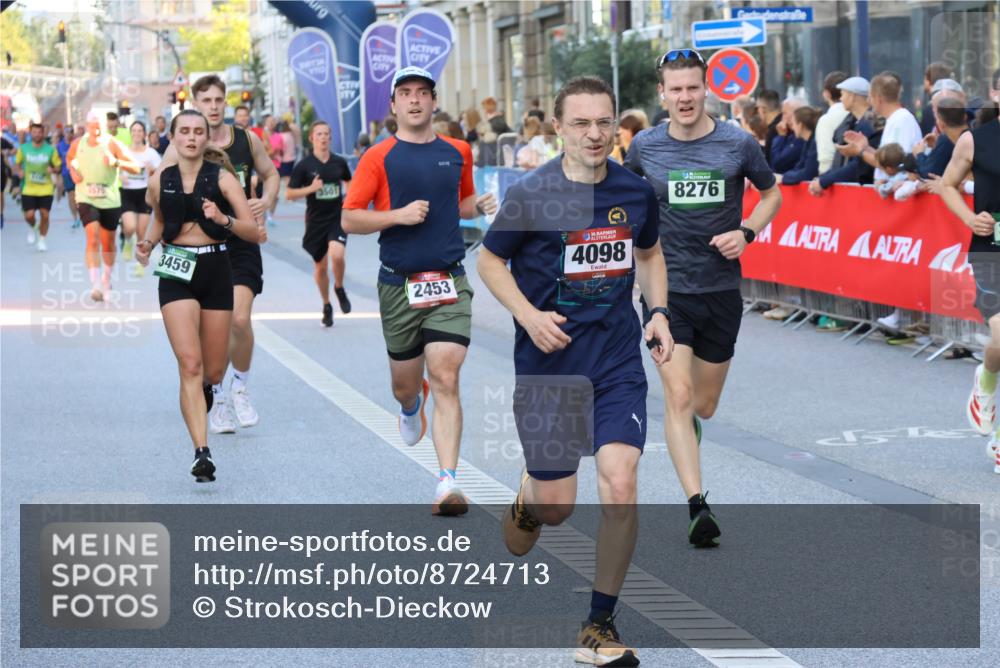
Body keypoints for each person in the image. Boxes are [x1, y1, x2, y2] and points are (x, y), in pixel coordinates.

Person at [478, 75, 671, 668]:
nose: (594, 133)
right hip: (550, 368)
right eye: (581, 123)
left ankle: (598, 623)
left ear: (616, 126)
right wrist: (528, 315)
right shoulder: (532, 194)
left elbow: (649, 253)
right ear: (558, 127)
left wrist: (658, 312)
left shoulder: (634, 192)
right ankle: (530, 496)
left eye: (604, 122)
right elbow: (490, 260)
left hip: (615, 363)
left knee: (620, 481)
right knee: (557, 509)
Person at [625, 48, 782, 546]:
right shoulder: (645, 146)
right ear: (662, 94)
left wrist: (747, 231)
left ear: (706, 88)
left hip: (720, 290)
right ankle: (698, 506)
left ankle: (688, 426)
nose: (685, 97)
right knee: (677, 395)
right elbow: (621, 199)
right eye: (676, 89)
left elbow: (773, 194)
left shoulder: (738, 143)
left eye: (693, 87)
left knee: (704, 405)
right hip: (666, 293)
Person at [343, 66, 498, 515]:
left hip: (448, 279)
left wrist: (477, 205)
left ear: (434, 101)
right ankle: (412, 405)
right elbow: (350, 218)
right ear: (393, 104)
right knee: (404, 385)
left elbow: (460, 203)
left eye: (422, 93)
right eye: (406, 93)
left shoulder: (458, 151)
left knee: (446, 374)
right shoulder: (379, 157)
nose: (414, 100)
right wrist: (397, 215)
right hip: (399, 284)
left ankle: (447, 482)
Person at [136, 110, 259, 482]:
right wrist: (147, 244)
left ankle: (206, 388)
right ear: (172, 137)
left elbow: (252, 231)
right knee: (189, 363)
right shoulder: (160, 180)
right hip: (176, 269)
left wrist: (223, 220)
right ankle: (201, 452)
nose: (191, 137)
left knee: (213, 370)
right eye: (184, 131)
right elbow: (160, 219)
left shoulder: (222, 179)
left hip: (215, 268)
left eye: (197, 132)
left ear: (206, 138)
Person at [155, 74, 279, 435]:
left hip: (238, 241)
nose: (212, 106)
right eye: (205, 100)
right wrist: (160, 233)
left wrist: (264, 202)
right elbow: (158, 190)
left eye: (218, 100)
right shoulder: (183, 144)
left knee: (239, 319)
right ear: (195, 103)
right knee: (206, 332)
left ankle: (239, 385)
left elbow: (271, 175)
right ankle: (217, 394)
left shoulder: (246, 139)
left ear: (226, 102)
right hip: (197, 249)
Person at [937, 94, 1000, 473]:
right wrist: (970, 217)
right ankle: (987, 378)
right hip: (991, 254)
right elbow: (947, 185)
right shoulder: (975, 139)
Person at [67, 111, 141, 301]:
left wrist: (115, 162)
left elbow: (135, 167)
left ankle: (106, 280)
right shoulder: (78, 143)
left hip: (109, 199)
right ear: (87, 126)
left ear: (104, 126)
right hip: (86, 197)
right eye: (93, 126)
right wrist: (73, 171)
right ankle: (96, 285)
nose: (96, 130)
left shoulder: (112, 143)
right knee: (92, 238)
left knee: (108, 243)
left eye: (99, 126)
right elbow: (69, 159)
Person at [286, 121, 353, 326]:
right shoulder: (304, 166)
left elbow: (348, 181)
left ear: (330, 138)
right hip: (315, 221)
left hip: (336, 217)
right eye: (319, 134)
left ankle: (339, 287)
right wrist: (311, 189)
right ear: (312, 138)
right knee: (321, 268)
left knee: (337, 254)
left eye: (326, 134)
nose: (323, 138)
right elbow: (289, 194)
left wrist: (349, 199)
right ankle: (326, 304)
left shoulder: (339, 162)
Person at [808, 77, 876, 194]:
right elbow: (843, 163)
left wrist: (824, 181)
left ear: (852, 96)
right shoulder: (852, 122)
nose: (840, 98)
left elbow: (858, 165)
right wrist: (823, 179)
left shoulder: (870, 124)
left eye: (843, 94)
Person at [119, 121, 162, 275]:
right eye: (134, 130)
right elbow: (115, 168)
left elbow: (161, 172)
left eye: (139, 130)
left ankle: (140, 263)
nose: (136, 133)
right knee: (130, 227)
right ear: (131, 133)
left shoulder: (151, 153)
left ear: (144, 134)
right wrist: (120, 176)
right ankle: (128, 241)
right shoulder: (124, 151)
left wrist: (152, 171)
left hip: (145, 194)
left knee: (141, 231)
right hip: (127, 192)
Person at [15, 122, 62, 251]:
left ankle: (42, 240)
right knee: (29, 216)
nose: (37, 135)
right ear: (31, 133)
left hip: (45, 188)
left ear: (43, 134)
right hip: (29, 188)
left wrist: (53, 170)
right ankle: (33, 227)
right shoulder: (24, 148)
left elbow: (58, 166)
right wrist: (19, 171)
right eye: (34, 132)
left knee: (45, 215)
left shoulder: (50, 149)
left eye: (39, 132)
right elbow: (17, 162)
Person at [815, 71, 850, 173]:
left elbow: (825, 159)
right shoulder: (856, 115)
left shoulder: (826, 120)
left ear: (826, 93)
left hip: (832, 178)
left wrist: (823, 179)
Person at [768, 98, 806, 172]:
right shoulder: (791, 135)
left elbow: (777, 162)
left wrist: (780, 137)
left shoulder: (800, 137)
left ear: (796, 114)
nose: (782, 118)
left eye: (784, 113)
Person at [55, 126, 81, 229]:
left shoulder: (77, 144)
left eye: (71, 132)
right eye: (67, 132)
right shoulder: (59, 145)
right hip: (66, 174)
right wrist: (57, 172)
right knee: (71, 196)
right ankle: (75, 218)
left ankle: (80, 214)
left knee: (78, 197)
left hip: (79, 174)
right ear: (64, 133)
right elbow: (56, 159)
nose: (69, 134)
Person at [920, 62, 955, 136]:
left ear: (928, 81)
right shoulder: (953, 103)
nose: (923, 82)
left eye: (925, 78)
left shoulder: (929, 110)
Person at [755, 89, 782, 163]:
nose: (757, 112)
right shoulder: (783, 124)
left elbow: (770, 160)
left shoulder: (774, 130)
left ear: (762, 109)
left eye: (757, 108)